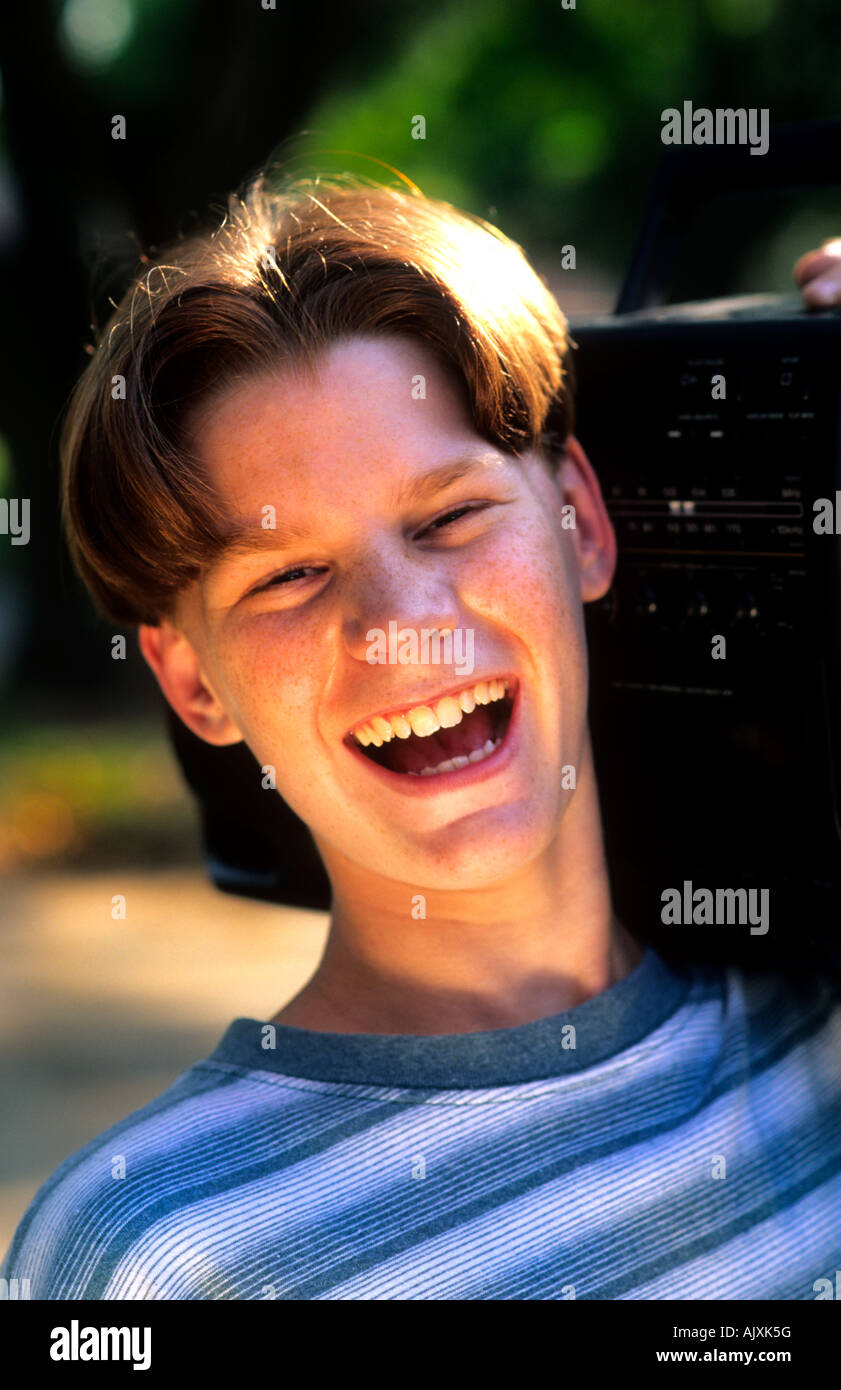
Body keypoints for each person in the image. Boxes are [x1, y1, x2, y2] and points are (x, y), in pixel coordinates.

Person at [2, 175, 840, 1300]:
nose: (401, 630)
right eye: (290, 575)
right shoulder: (154, 1253)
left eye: (450, 518)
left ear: (578, 524)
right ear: (191, 678)